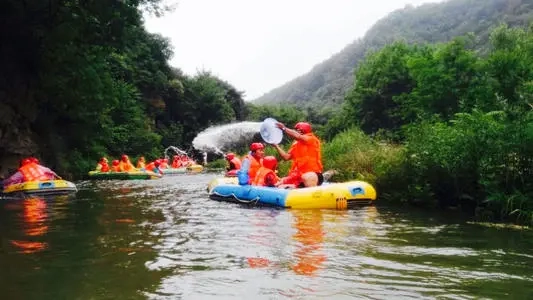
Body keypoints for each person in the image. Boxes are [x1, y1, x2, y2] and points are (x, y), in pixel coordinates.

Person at [272, 122, 323, 187]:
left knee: (306, 177)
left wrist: (284, 128)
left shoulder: (311, 139)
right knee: (281, 183)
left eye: (298, 130)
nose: (296, 131)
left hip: (313, 174)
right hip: (299, 174)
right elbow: (286, 157)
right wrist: (276, 146)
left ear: (303, 130)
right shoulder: (296, 144)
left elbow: (298, 136)